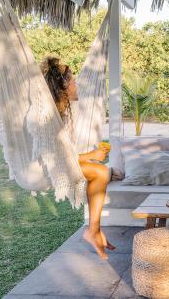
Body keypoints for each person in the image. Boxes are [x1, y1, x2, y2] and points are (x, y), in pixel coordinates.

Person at [41, 57, 114, 259]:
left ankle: (94, 230)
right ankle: (93, 230)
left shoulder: (61, 112)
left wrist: (89, 157)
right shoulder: (47, 116)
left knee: (100, 171)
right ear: (63, 86)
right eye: (72, 80)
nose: (76, 84)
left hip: (56, 162)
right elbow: (52, 156)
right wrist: (91, 155)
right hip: (42, 168)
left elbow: (61, 152)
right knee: (100, 171)